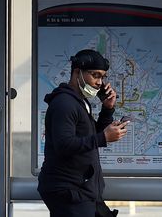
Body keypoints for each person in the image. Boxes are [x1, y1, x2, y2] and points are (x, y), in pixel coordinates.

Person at [37, 49, 129, 217]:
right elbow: (64, 145)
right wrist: (103, 137)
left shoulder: (79, 101)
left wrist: (107, 109)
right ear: (77, 72)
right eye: (95, 75)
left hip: (82, 189)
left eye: (102, 77)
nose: (100, 82)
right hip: (68, 190)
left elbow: (90, 135)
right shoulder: (64, 104)